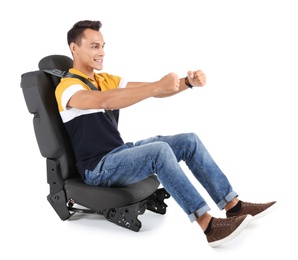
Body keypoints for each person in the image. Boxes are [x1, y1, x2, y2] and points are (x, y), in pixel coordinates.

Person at [55, 20, 278, 248]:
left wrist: (187, 83)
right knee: (158, 151)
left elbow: (154, 89)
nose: (101, 52)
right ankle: (208, 225)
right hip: (98, 168)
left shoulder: (104, 80)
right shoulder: (67, 87)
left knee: (188, 141)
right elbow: (104, 100)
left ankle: (234, 206)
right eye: (94, 46)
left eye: (103, 46)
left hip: (118, 153)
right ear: (74, 48)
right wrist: (155, 88)